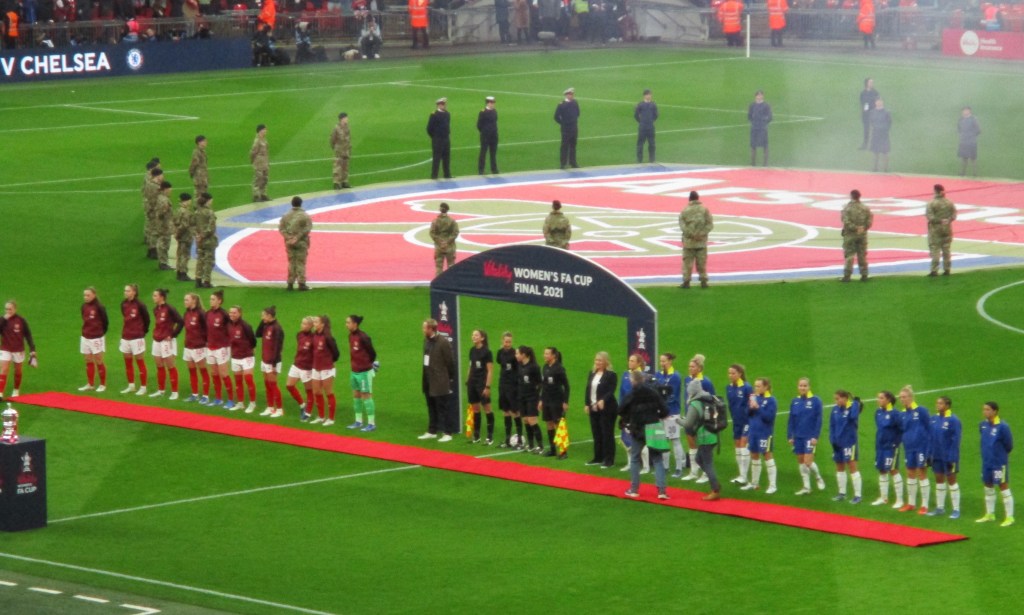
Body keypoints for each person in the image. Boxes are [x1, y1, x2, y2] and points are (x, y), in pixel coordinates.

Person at [620, 370, 670, 500]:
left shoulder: (631, 395)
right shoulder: (653, 392)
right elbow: (665, 410)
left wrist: (629, 418)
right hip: (653, 427)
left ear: (632, 381)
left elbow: (621, 409)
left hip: (638, 429)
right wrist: (657, 416)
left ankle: (634, 489)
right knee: (657, 459)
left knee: (635, 458)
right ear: (642, 380)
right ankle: (662, 491)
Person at [682, 379, 721, 501]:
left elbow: (688, 424)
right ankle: (715, 483)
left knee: (707, 463)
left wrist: (677, 420)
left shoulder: (695, 404)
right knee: (698, 459)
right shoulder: (709, 398)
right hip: (713, 434)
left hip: (705, 437)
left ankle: (715, 490)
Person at [977, 401, 1014, 526]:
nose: (985, 412)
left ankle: (1009, 517)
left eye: (987, 409)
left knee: (1003, 487)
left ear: (995, 411)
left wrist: (999, 456)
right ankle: (990, 514)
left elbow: (1009, 445)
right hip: (986, 463)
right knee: (988, 487)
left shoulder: (1003, 427)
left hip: (998, 464)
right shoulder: (982, 425)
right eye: (984, 409)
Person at [419, 318, 456, 441]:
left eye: (424, 328)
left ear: (431, 329)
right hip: (428, 379)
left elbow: (450, 362)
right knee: (431, 406)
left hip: (440, 380)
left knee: (443, 407)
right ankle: (432, 431)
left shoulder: (443, 342)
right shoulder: (426, 341)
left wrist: (449, 377)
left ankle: (448, 433)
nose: (423, 330)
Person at [788, 378, 826, 495]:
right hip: (798, 436)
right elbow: (791, 420)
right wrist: (790, 435)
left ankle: (818, 477)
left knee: (808, 462)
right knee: (801, 461)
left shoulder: (816, 401)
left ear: (809, 387)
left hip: (810, 437)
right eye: (800, 385)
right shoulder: (795, 401)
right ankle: (806, 487)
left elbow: (819, 420)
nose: (802, 388)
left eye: (805, 386)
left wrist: (815, 436)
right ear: (798, 387)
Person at [897, 385, 931, 514]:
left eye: (904, 397)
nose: (902, 399)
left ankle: (925, 505)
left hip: (921, 447)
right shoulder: (902, 414)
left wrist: (929, 449)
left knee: (921, 474)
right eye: (901, 397)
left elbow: (929, 428)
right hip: (909, 448)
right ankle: (911, 503)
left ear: (911, 397)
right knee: (910, 473)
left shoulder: (921, 411)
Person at [742, 377, 778, 494]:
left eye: (758, 386)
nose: (756, 388)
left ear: (765, 387)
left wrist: (758, 408)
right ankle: (754, 483)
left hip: (765, 433)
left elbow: (769, 418)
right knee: (754, 456)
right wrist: (750, 407)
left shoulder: (771, 400)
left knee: (767, 456)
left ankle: (773, 485)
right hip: (753, 432)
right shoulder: (754, 397)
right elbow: (747, 414)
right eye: (755, 386)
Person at [928, 395, 962, 518]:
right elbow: (930, 437)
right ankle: (940, 508)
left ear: (947, 405)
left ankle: (956, 509)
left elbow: (956, 440)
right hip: (936, 455)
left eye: (940, 403)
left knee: (951, 481)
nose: (938, 405)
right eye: (937, 403)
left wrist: (952, 457)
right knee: (939, 480)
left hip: (949, 457)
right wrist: (929, 454)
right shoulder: (933, 419)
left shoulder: (954, 420)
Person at [682, 354, 715, 481]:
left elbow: (712, 399)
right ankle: (693, 472)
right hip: (690, 416)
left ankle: (706, 473)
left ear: (699, 368)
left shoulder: (706, 382)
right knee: (691, 444)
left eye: (693, 367)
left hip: (701, 418)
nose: (690, 368)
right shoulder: (687, 380)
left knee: (703, 445)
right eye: (689, 366)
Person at [585, 351, 618, 468]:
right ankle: (598, 457)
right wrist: (587, 404)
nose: (597, 362)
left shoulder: (611, 375)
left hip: (607, 409)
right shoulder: (592, 373)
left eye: (600, 360)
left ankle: (609, 460)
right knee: (596, 433)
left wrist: (603, 400)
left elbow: (611, 390)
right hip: (594, 408)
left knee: (607, 434)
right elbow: (588, 389)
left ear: (605, 362)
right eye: (596, 360)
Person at [872, 390, 905, 508]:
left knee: (893, 470)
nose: (878, 400)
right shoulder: (878, 412)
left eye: (881, 398)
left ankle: (900, 500)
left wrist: (895, 443)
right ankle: (883, 498)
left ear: (888, 400)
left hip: (891, 447)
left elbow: (902, 429)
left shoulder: (895, 414)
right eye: (878, 398)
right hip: (880, 446)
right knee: (881, 470)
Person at [346, 314, 378, 431]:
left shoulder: (363, 337)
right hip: (354, 371)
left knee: (366, 396)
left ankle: (371, 423)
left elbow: (372, 353)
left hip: (364, 372)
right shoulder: (350, 336)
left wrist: (367, 365)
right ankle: (358, 421)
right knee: (356, 395)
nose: (346, 325)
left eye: (348, 322)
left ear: (355, 324)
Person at [830, 389, 863, 503]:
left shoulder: (852, 408)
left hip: (849, 442)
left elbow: (853, 417)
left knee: (852, 467)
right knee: (839, 467)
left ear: (845, 398)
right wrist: (832, 440)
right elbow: (832, 426)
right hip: (837, 443)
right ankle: (842, 493)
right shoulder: (835, 409)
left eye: (837, 399)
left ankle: (858, 495)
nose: (836, 401)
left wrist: (856, 403)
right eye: (835, 399)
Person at [149, 288, 183, 400]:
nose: (153, 298)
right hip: (157, 340)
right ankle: (161, 390)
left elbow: (180, 321)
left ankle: (175, 392)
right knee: (159, 365)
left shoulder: (170, 309)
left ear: (161, 297)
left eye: (155, 295)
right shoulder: (155, 309)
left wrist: (172, 335)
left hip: (166, 341)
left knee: (170, 366)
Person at [618, 353, 649, 473]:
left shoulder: (643, 377)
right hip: (627, 412)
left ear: (639, 363)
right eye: (629, 360)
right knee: (627, 437)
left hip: (638, 412)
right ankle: (630, 463)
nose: (629, 363)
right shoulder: (625, 375)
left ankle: (646, 466)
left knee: (641, 439)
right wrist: (621, 409)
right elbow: (621, 393)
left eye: (632, 361)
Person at [654, 353, 683, 478]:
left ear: (670, 361)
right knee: (663, 440)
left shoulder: (675, 376)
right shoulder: (658, 375)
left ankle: (679, 467)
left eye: (664, 361)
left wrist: (665, 410)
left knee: (675, 440)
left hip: (672, 413)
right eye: (661, 361)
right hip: (661, 413)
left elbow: (673, 396)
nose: (662, 363)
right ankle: (665, 467)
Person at [202, 290, 233, 408]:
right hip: (210, 347)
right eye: (210, 299)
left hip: (222, 348)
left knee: (224, 374)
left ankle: (230, 400)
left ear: (219, 301)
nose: (210, 301)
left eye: (213, 299)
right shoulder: (208, 314)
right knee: (214, 373)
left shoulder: (224, 315)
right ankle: (218, 398)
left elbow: (231, 329)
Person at [119, 284, 151, 396]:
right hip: (125, 337)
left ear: (134, 292)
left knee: (139, 361)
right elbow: (125, 317)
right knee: (128, 362)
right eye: (125, 290)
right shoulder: (123, 304)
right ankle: (131, 385)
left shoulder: (140, 305)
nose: (125, 292)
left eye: (128, 291)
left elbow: (147, 319)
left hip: (137, 337)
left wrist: (143, 331)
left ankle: (143, 387)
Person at [0, 301, 36, 400]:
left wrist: (32, 349)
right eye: (6, 309)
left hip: (18, 350)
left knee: (18, 371)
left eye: (10, 309)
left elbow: (28, 335)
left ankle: (16, 390)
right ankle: (0, 393)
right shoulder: (2, 320)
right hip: (5, 348)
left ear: (15, 309)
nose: (8, 311)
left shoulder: (21, 321)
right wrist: (3, 319)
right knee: (3, 369)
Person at [678, 191, 714, 289]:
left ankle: (686, 282)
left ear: (689, 199)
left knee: (687, 264)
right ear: (698, 198)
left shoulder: (685, 211)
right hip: (701, 242)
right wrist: (701, 234)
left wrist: (691, 235)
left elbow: (682, 226)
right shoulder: (704, 210)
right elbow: (710, 224)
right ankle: (703, 281)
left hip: (689, 243)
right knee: (702, 263)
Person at [309, 315, 341, 425]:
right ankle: (321, 416)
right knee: (316, 392)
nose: (314, 324)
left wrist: (329, 361)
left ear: (322, 324)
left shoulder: (328, 337)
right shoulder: (314, 335)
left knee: (329, 393)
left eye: (316, 322)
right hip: (316, 367)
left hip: (327, 368)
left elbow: (336, 353)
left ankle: (331, 419)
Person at [539, 346, 570, 458]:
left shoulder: (559, 369)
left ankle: (563, 451)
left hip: (557, 400)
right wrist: (541, 399)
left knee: (559, 424)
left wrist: (565, 402)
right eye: (544, 353)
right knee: (549, 423)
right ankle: (552, 450)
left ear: (553, 356)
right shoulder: (545, 367)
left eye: (547, 354)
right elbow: (544, 385)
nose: (545, 355)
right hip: (547, 400)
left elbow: (566, 386)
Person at [254, 306, 285, 418]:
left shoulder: (277, 328)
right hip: (265, 359)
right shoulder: (266, 325)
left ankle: (280, 409)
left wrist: (274, 364)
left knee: (273, 384)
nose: (261, 317)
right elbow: (257, 334)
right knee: (267, 384)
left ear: (269, 315)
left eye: (263, 315)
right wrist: (263, 322)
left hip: (273, 361)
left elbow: (278, 347)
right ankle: (270, 407)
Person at [227, 305, 258, 414]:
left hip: (247, 356)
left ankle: (252, 403)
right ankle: (240, 403)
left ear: (240, 313)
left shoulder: (245, 326)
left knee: (248, 379)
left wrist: (249, 349)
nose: (232, 314)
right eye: (230, 312)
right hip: (235, 356)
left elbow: (253, 340)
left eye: (234, 312)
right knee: (238, 381)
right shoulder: (229, 325)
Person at [466, 329, 494, 444]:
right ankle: (476, 436)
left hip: (482, 384)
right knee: (475, 409)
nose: (474, 337)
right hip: (472, 383)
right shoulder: (472, 350)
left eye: (476, 335)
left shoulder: (487, 352)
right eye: (473, 335)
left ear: (482, 338)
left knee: (487, 409)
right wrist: (468, 380)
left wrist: (487, 386)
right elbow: (470, 366)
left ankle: (490, 436)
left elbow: (490, 370)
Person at [726, 363, 753, 485]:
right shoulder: (729, 388)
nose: (730, 375)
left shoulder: (747, 387)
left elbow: (751, 404)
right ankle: (741, 474)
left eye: (733, 373)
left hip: (746, 421)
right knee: (737, 446)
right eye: (729, 373)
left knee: (743, 446)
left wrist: (749, 417)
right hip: (736, 421)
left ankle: (744, 476)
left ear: (740, 374)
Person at [181, 292, 210, 404]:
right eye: (184, 300)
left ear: (194, 301)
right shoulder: (186, 313)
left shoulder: (201, 313)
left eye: (187, 300)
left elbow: (208, 329)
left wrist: (206, 342)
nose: (185, 302)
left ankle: (206, 396)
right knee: (192, 371)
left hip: (199, 347)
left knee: (203, 371)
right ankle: (194, 394)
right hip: (188, 346)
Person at [78, 287, 109, 393]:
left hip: (96, 338)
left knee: (99, 360)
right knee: (88, 360)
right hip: (85, 337)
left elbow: (105, 322)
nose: (85, 297)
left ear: (94, 295)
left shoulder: (99, 307)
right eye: (84, 295)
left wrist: (99, 333)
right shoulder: (84, 306)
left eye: (88, 295)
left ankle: (102, 384)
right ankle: (90, 384)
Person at [279, 196, 313, 291]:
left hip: (289, 242)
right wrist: (297, 237)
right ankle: (301, 283)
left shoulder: (285, 216)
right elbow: (307, 229)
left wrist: (288, 237)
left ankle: (290, 283)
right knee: (300, 262)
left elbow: (281, 229)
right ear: (301, 204)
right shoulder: (305, 216)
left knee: (291, 262)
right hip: (301, 242)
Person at [840, 189, 873, 282]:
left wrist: (855, 228)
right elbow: (869, 221)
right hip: (862, 235)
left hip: (850, 235)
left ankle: (847, 276)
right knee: (862, 255)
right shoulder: (865, 208)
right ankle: (864, 275)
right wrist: (862, 228)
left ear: (851, 196)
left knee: (849, 255)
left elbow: (845, 221)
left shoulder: (847, 208)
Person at [287, 316, 317, 421]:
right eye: (302, 323)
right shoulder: (299, 335)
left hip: (307, 368)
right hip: (296, 365)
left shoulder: (314, 338)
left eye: (304, 324)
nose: (302, 325)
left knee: (309, 391)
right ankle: (302, 405)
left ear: (310, 326)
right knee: (289, 386)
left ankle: (308, 413)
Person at [497, 332, 523, 448]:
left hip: (512, 386)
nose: (507, 344)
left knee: (515, 411)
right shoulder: (500, 353)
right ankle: (507, 439)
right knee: (505, 411)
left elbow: (519, 370)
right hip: (503, 384)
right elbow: (500, 363)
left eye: (509, 342)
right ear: (502, 341)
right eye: (506, 341)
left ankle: (519, 439)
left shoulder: (515, 354)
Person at [925, 184, 957, 277]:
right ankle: (947, 269)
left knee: (935, 249)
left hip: (935, 230)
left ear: (935, 191)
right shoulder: (949, 202)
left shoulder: (931, 203)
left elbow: (930, 217)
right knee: (946, 250)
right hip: (947, 229)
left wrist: (939, 221)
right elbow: (954, 215)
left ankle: (934, 270)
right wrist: (948, 220)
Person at [192, 193, 217, 289]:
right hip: (208, 241)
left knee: (200, 260)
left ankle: (198, 280)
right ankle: (207, 281)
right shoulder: (210, 213)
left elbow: (192, 225)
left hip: (199, 241)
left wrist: (197, 236)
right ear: (208, 201)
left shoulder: (196, 212)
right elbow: (211, 228)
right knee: (209, 261)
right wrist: (203, 235)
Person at [430, 202, 459, 276]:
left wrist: (440, 242)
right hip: (450, 246)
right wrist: (447, 242)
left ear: (440, 209)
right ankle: (451, 281)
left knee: (439, 267)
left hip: (439, 247)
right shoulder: (452, 221)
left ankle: (438, 281)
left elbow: (432, 233)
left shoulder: (435, 221)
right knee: (451, 266)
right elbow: (455, 232)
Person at [554, 87, 580, 169]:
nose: (571, 96)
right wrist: (563, 123)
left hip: (574, 128)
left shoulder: (575, 103)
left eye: (572, 94)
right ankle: (563, 164)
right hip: (566, 129)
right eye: (570, 94)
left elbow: (578, 113)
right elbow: (556, 116)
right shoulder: (561, 105)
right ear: (566, 95)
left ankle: (573, 163)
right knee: (564, 146)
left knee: (573, 146)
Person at [427, 97, 451, 180]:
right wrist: (434, 137)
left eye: (444, 104)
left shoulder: (447, 114)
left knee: (446, 157)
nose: (444, 106)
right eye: (442, 104)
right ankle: (434, 175)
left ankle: (447, 174)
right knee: (437, 157)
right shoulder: (434, 115)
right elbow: (429, 128)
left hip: (446, 138)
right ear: (438, 105)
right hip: (437, 139)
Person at [173, 193, 195, 283]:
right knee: (185, 255)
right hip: (185, 236)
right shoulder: (186, 212)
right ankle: (183, 273)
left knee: (180, 254)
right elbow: (184, 225)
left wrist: (176, 233)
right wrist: (178, 234)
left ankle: (179, 272)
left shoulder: (178, 210)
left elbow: (175, 222)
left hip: (181, 236)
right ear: (187, 201)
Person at [142, 161, 161, 259]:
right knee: (153, 229)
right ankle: (153, 250)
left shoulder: (149, 181)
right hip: (152, 208)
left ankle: (150, 249)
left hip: (149, 206)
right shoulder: (152, 184)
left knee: (151, 227)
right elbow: (154, 199)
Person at [748, 90, 772, 167]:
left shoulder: (766, 105)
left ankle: (765, 164)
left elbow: (770, 117)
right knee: (753, 146)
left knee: (765, 146)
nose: (759, 96)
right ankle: (753, 163)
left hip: (763, 128)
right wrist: (754, 122)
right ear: (755, 96)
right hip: (754, 128)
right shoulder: (752, 105)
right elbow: (749, 116)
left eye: (761, 95)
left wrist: (764, 122)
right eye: (758, 95)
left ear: (763, 96)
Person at [154, 181, 174, 272]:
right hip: (164, 225)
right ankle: (163, 263)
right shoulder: (163, 200)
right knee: (164, 244)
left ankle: (164, 262)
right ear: (165, 189)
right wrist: (164, 210)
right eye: (169, 190)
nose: (170, 192)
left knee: (164, 243)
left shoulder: (161, 198)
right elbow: (160, 214)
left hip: (164, 225)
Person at [476, 96, 499, 175]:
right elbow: (479, 125)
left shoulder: (494, 111)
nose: (493, 104)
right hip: (485, 136)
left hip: (494, 135)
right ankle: (481, 170)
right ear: (488, 103)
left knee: (493, 153)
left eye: (493, 102)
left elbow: (495, 122)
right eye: (492, 102)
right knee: (483, 152)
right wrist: (484, 132)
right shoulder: (483, 112)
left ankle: (494, 169)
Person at [634, 88, 658, 163]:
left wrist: (651, 121)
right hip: (642, 127)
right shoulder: (640, 105)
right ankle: (639, 160)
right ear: (644, 96)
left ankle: (652, 160)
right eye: (647, 94)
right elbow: (636, 115)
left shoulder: (653, 105)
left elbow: (656, 115)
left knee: (652, 144)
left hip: (650, 127)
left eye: (650, 94)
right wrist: (641, 122)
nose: (649, 96)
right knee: (640, 144)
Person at [330, 113, 352, 190]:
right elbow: (332, 139)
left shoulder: (347, 128)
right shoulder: (336, 128)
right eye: (346, 118)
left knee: (345, 167)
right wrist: (335, 148)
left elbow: (349, 139)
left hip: (346, 150)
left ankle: (344, 182)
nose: (347, 119)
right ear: (342, 119)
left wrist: (349, 148)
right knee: (337, 167)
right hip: (339, 150)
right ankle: (336, 183)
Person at [957, 107, 981, 177]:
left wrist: (971, 136)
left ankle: (975, 173)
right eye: (963, 110)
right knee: (964, 157)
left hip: (971, 141)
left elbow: (978, 130)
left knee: (973, 158)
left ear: (970, 111)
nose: (965, 112)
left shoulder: (973, 119)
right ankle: (963, 172)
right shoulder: (961, 120)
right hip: (963, 141)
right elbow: (959, 129)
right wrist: (963, 135)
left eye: (966, 110)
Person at [869, 99, 891, 173]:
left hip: (884, 134)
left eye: (880, 101)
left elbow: (889, 122)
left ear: (882, 102)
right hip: (875, 134)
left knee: (885, 152)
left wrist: (884, 129)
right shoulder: (872, 112)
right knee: (875, 152)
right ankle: (875, 168)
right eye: (877, 101)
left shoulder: (886, 112)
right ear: (875, 103)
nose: (879, 103)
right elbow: (871, 122)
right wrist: (875, 128)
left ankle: (885, 169)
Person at [250, 124, 270, 202]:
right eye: (264, 129)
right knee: (258, 179)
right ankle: (256, 196)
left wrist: (267, 162)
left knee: (265, 178)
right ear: (260, 131)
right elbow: (252, 152)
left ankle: (263, 194)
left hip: (264, 162)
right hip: (259, 163)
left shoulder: (264, 140)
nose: (266, 131)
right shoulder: (257, 141)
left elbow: (266, 152)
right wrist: (253, 161)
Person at [859, 78, 879, 150]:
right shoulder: (863, 93)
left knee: (875, 129)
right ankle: (865, 145)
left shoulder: (875, 92)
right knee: (866, 130)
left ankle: (875, 145)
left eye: (872, 82)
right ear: (866, 83)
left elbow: (877, 102)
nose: (872, 84)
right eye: (870, 82)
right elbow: (861, 102)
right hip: (866, 114)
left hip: (873, 113)